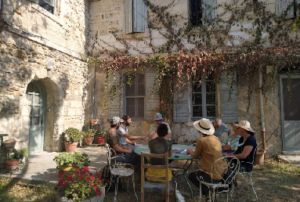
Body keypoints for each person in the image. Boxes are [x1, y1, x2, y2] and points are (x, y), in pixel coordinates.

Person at [187, 118, 228, 201]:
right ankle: (212, 192)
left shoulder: (201, 140)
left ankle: (208, 193)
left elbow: (195, 155)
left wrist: (190, 152)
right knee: (198, 174)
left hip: (211, 174)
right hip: (223, 172)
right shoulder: (216, 139)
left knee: (191, 175)